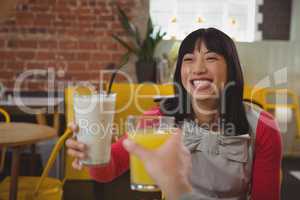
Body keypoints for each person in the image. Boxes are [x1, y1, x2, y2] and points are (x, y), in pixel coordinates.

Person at [66, 28, 282, 199]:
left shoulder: (262, 127)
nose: (198, 68)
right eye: (188, 59)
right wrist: (91, 151)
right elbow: (108, 170)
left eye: (211, 58)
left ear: (231, 68)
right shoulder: (159, 118)